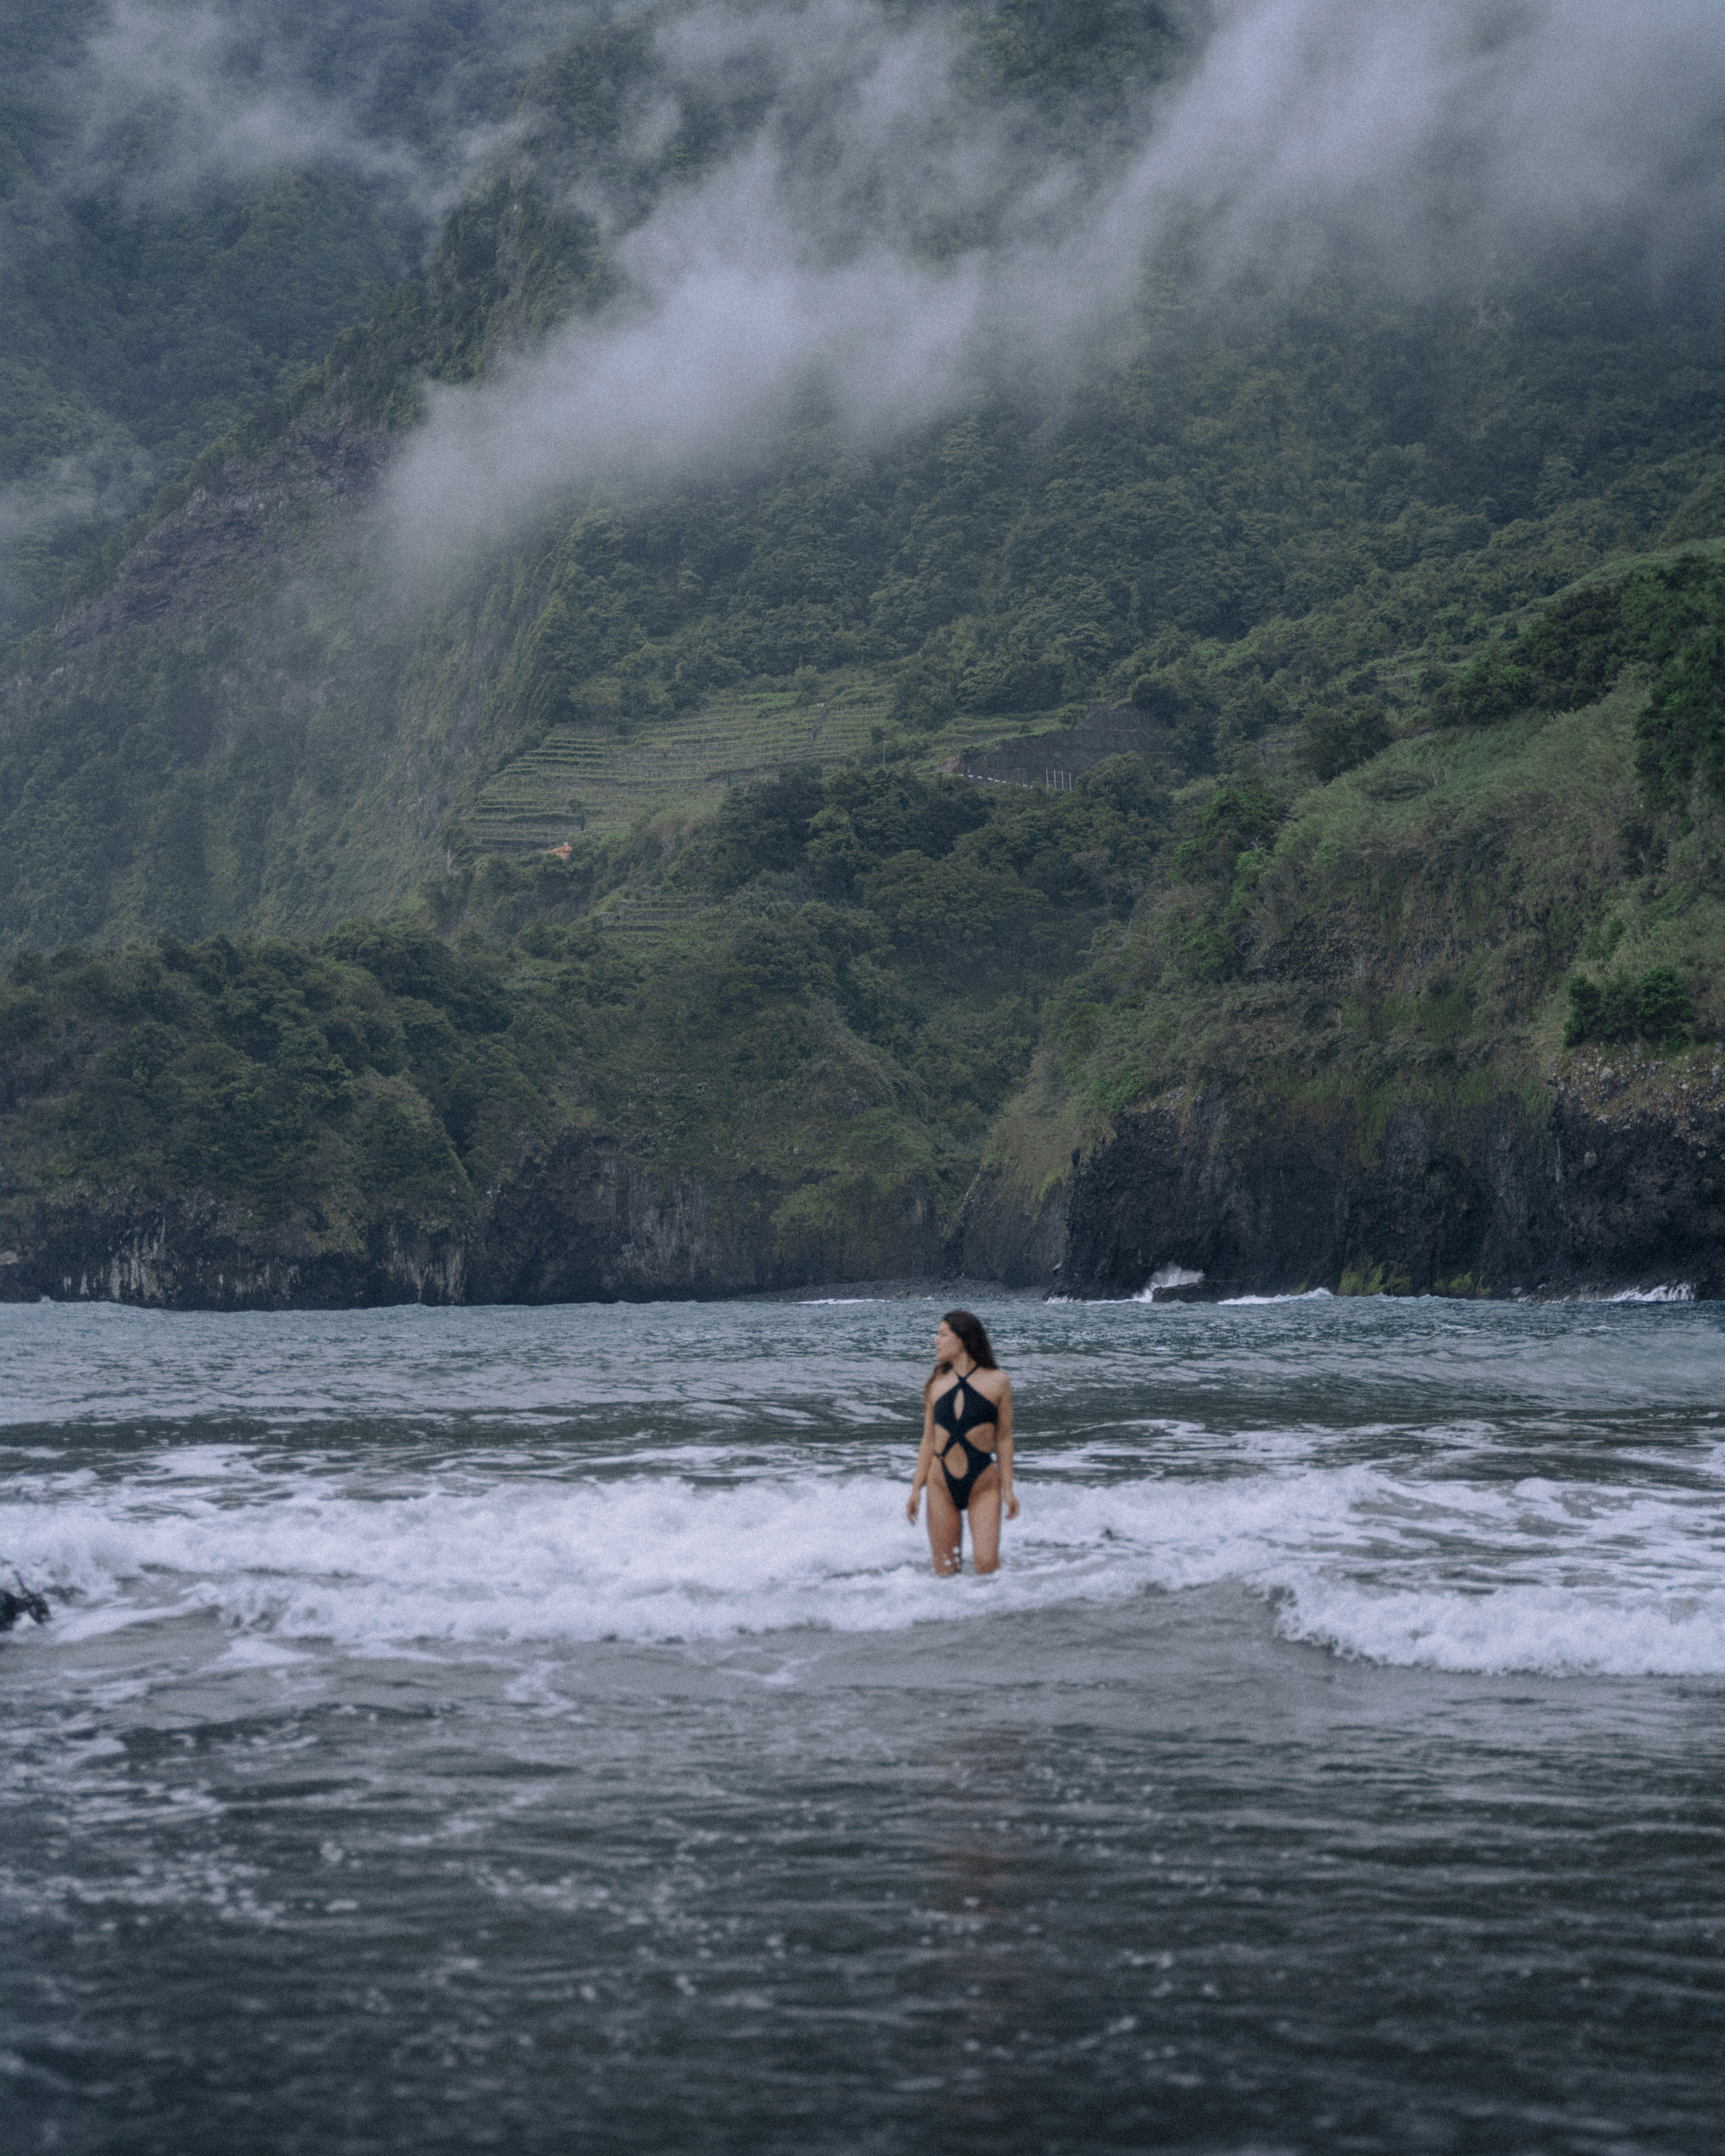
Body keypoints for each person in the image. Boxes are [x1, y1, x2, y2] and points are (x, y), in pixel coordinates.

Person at [906, 1310, 1019, 1575]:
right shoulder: (935, 1384)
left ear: (963, 1340)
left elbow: (1003, 1440)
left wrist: (1008, 1489)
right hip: (940, 1484)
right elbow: (928, 1441)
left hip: (983, 1484)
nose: (936, 1340)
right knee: (945, 1570)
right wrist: (915, 1489)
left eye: (943, 1334)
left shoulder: (998, 1382)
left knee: (987, 1564)